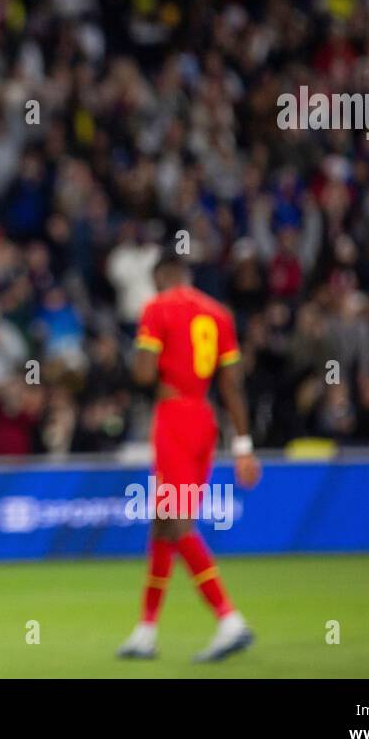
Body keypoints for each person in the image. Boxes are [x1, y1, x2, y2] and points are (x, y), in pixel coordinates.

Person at [116, 251, 262, 663]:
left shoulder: (157, 308)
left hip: (174, 419)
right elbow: (233, 384)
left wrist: (145, 357)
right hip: (205, 418)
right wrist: (244, 446)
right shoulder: (219, 314)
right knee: (164, 524)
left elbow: (143, 374)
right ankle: (146, 632)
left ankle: (229, 619)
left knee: (178, 522)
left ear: (161, 276)